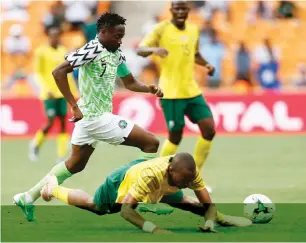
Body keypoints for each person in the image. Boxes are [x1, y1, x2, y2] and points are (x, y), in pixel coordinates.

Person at [13, 12, 163, 222]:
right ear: (103, 32)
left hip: (91, 118)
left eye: (122, 36)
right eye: (117, 35)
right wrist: (73, 105)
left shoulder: (115, 52)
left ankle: (28, 196)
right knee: (151, 142)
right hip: (94, 117)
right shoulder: (92, 49)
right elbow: (58, 72)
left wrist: (149, 88)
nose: (120, 40)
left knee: (74, 164)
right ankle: (145, 197)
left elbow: (129, 82)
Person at [40, 153, 252, 233]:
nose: (187, 184)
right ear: (171, 171)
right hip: (123, 180)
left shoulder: (187, 172)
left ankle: (223, 219)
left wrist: (211, 220)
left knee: (185, 202)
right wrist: (153, 229)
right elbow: (126, 212)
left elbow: (206, 201)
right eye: (183, 181)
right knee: (97, 207)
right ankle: (53, 188)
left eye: (190, 181)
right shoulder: (150, 176)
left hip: (157, 181)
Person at [137, 1, 215, 171]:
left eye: (183, 8)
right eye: (177, 8)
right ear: (171, 10)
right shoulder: (161, 29)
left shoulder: (194, 29)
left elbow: (194, 54)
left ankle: (196, 174)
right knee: (175, 136)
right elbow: (140, 50)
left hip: (191, 90)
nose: (180, 12)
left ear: (188, 10)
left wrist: (206, 64)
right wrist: (154, 50)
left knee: (209, 130)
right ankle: (159, 174)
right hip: (171, 93)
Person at [29, 26, 77, 163]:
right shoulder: (41, 52)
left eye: (57, 35)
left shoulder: (63, 51)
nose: (55, 38)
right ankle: (35, 144)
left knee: (63, 122)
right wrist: (44, 88)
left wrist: (73, 90)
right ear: (48, 37)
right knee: (50, 122)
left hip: (61, 92)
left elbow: (67, 74)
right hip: (48, 93)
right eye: (52, 36)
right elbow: (37, 73)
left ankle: (61, 155)